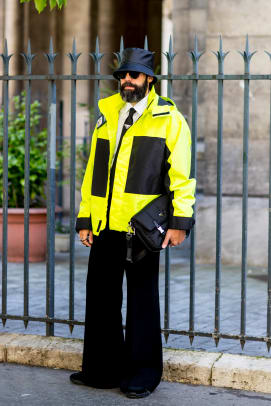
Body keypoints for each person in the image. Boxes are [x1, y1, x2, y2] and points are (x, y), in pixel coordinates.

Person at [70, 48, 196, 399]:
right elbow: (93, 175)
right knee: (101, 298)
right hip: (106, 225)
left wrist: (180, 222)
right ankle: (101, 370)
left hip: (141, 229)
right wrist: (86, 219)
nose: (127, 81)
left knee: (142, 301)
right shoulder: (107, 116)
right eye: (123, 75)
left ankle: (143, 374)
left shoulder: (169, 119)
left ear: (149, 79)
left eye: (135, 75)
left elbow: (183, 177)